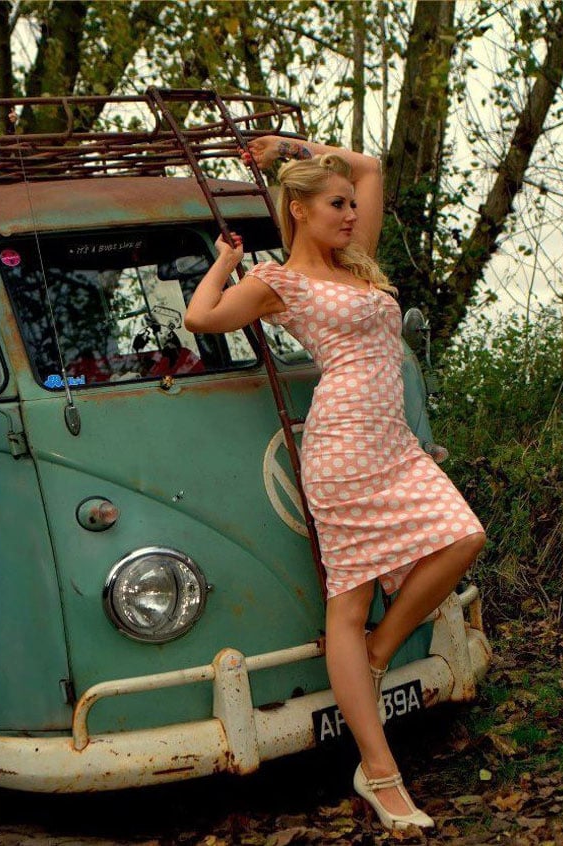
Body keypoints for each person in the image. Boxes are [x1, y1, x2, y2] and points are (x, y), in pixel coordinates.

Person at [185, 135, 486, 831]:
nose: (351, 214)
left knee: (463, 537)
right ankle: (379, 773)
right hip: (343, 445)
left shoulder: (355, 262)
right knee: (346, 603)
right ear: (299, 210)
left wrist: (288, 147)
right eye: (336, 205)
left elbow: (371, 166)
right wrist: (225, 262)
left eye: (352, 205)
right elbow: (201, 318)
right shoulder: (279, 281)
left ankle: (378, 653)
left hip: (394, 443)